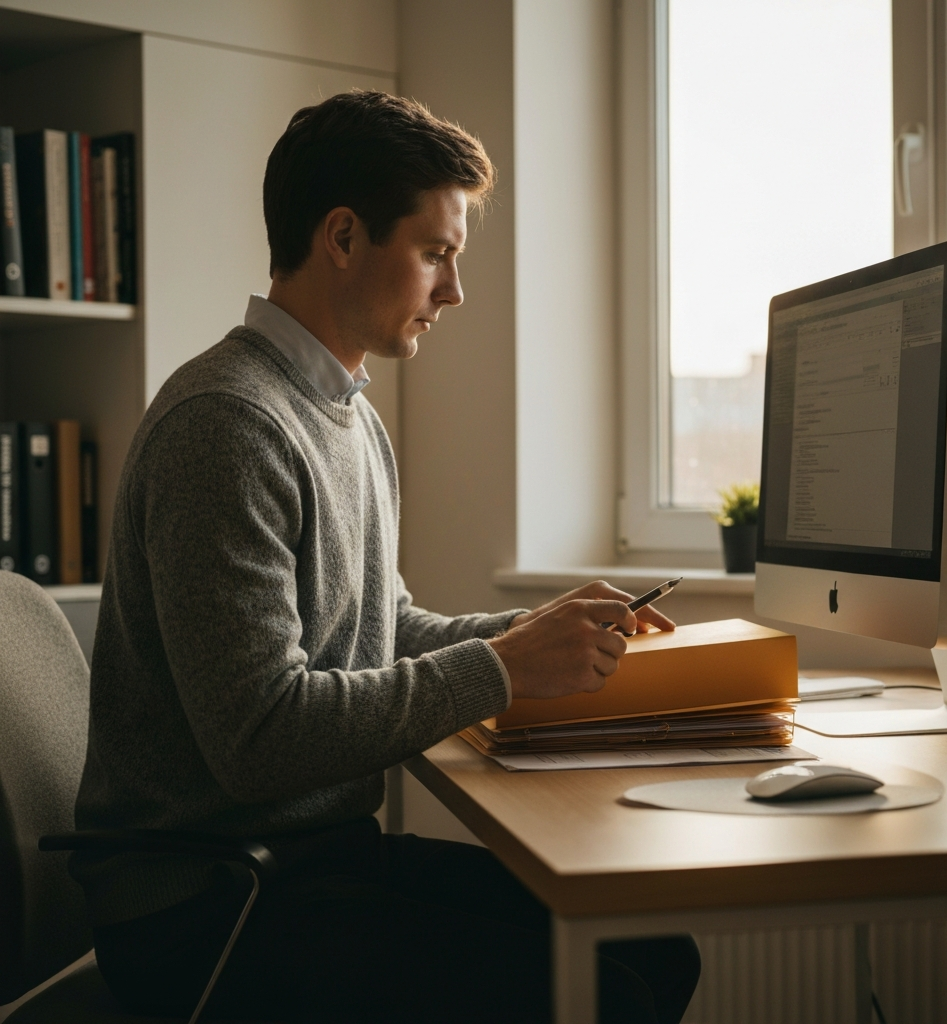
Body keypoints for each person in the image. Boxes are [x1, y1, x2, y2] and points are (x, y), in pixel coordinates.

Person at [70, 90, 700, 1023]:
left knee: (653, 949)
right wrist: (501, 667)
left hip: (311, 863)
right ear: (341, 237)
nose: (455, 291)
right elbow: (259, 739)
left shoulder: (349, 414)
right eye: (437, 254)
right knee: (603, 994)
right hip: (205, 910)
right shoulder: (227, 425)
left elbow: (379, 628)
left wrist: (536, 633)